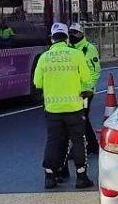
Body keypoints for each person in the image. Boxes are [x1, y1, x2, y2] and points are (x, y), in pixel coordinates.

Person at [34, 22, 96, 190]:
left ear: (52, 39)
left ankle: (50, 176)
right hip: (74, 107)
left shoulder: (44, 57)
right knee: (78, 140)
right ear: (67, 38)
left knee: (53, 141)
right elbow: (87, 79)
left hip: (52, 109)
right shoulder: (76, 55)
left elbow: (37, 82)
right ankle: (81, 177)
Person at [69, 21, 102, 155]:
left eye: (75, 33)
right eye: (70, 33)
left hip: (85, 92)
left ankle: (81, 148)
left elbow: (95, 71)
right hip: (72, 91)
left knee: (81, 118)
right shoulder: (69, 48)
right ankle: (92, 145)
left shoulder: (88, 49)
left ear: (81, 34)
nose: (72, 35)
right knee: (81, 118)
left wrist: (88, 89)